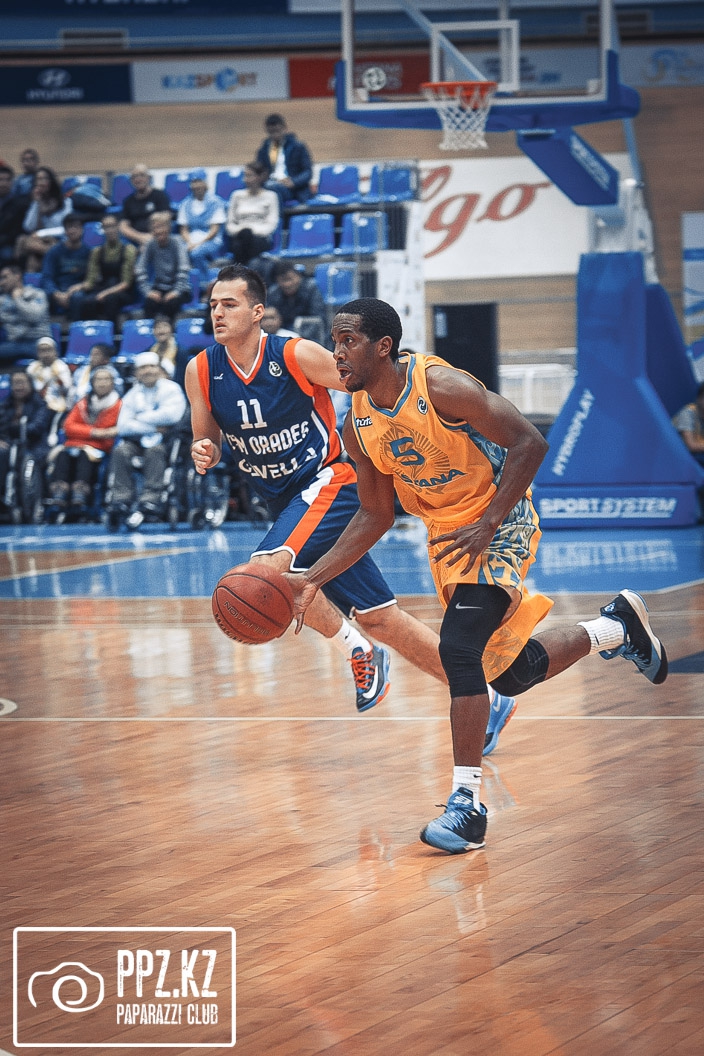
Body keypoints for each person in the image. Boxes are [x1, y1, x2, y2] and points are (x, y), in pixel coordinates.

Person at [286, 298, 669, 855]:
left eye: (348, 341)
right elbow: (374, 514)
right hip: (448, 538)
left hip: (499, 520)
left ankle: (466, 806)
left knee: (459, 649)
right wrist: (312, 579)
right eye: (334, 341)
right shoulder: (357, 423)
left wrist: (490, 522)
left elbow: (530, 442)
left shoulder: (441, 387)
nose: (337, 353)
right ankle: (616, 629)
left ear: (383, 347)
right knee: (508, 674)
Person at [186, 265, 516, 751]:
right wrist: (205, 449)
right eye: (213, 305)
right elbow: (207, 434)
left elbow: (369, 381)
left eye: (229, 304)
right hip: (283, 503)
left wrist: (416, 435)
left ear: (257, 312)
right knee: (382, 617)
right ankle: (490, 697)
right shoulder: (200, 370)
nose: (217, 312)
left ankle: (356, 649)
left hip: (329, 483)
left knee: (267, 572)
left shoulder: (295, 354)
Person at [107, 349, 187, 528]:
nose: (147, 371)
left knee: (154, 451)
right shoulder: (132, 394)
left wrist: (139, 418)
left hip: (166, 441)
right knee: (121, 451)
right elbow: (123, 426)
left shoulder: (171, 389)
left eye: (151, 366)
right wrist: (153, 425)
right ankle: (121, 498)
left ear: (158, 369)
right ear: (136, 373)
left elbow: (172, 416)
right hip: (137, 441)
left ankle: (151, 498)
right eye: (143, 368)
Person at [45, 365, 121, 521]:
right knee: (63, 454)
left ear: (113, 383)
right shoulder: (82, 403)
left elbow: (110, 431)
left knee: (84, 456)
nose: (102, 383)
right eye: (98, 379)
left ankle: (80, 494)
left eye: (106, 379)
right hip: (74, 446)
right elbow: (68, 426)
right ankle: (60, 492)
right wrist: (94, 432)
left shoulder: (118, 405)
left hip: (100, 449)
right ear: (92, 383)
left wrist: (86, 434)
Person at [0, 367, 53, 515]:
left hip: (34, 445)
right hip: (9, 445)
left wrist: (14, 428)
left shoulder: (40, 404)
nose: (19, 387)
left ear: (30, 384)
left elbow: (36, 428)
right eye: (15, 383)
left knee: (29, 459)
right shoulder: (4, 405)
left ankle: (31, 505)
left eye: (22, 382)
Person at [76, 212, 137, 324]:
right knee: (87, 302)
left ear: (118, 227)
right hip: (103, 287)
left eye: (112, 226)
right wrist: (75, 288)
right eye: (106, 227)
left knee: (111, 299)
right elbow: (90, 281)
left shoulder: (128, 249)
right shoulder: (97, 252)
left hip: (123, 292)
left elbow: (126, 283)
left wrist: (105, 293)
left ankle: (111, 331)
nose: (110, 230)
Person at [134, 212, 192, 322]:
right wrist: (148, 291)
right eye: (155, 228)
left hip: (180, 288)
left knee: (171, 304)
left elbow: (184, 268)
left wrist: (175, 292)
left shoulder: (177, 242)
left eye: (162, 227)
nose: (159, 231)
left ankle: (169, 330)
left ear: (169, 228)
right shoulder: (150, 244)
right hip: (160, 287)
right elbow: (139, 268)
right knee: (149, 304)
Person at [16, 166, 71, 272]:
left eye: (44, 178)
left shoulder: (65, 202)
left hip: (59, 240)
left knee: (32, 249)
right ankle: (52, 256)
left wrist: (42, 233)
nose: (40, 183)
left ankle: (54, 255)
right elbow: (28, 226)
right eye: (38, 179)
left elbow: (66, 228)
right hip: (40, 242)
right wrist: (37, 203)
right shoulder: (37, 203)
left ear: (51, 181)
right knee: (30, 253)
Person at [225, 161, 279, 268]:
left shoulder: (271, 196)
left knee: (251, 242)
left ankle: (244, 270)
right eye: (245, 176)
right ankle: (245, 271)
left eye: (249, 176)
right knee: (239, 243)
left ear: (260, 177)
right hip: (240, 235)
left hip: (260, 236)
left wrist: (251, 231)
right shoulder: (236, 195)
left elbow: (272, 223)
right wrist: (242, 230)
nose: (245, 179)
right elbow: (230, 223)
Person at [177, 169, 227, 283]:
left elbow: (214, 230)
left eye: (199, 181)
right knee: (178, 252)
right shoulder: (185, 203)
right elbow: (184, 229)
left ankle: (204, 283)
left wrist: (198, 244)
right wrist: (190, 242)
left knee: (196, 253)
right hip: (191, 240)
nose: (197, 185)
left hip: (211, 240)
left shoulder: (216, 202)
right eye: (194, 182)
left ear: (205, 183)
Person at [255, 113, 313, 208]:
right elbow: (258, 170)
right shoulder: (264, 149)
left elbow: (308, 172)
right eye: (271, 132)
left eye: (278, 131)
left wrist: (293, 181)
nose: (275, 135)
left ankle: (275, 216)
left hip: (292, 188)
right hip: (270, 184)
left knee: (273, 191)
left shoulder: (298, 147)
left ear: (284, 128)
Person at [0, 261, 52, 365]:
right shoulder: (3, 300)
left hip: (38, 342)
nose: (2, 282)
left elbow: (34, 316)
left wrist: (18, 299)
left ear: (17, 276)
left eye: (5, 277)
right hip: (15, 343)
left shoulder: (37, 294)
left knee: (46, 353)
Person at [40, 213, 91, 320]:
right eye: (69, 227)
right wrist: (55, 293)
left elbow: (92, 278)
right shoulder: (54, 252)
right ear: (65, 230)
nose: (72, 231)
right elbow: (47, 277)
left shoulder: (89, 252)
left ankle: (74, 327)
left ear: (82, 229)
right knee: (43, 296)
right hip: (58, 289)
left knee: (78, 297)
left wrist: (80, 287)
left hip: (78, 290)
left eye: (76, 227)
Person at [266, 260, 327, 344]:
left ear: (298, 276)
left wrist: (299, 335)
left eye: (289, 279)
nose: (287, 284)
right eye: (283, 280)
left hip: (309, 336)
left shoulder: (311, 288)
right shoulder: (274, 293)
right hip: (283, 335)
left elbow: (318, 318)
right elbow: (271, 316)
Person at [118, 164, 173, 249]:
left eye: (142, 175)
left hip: (158, 239)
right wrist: (140, 237)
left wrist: (152, 238)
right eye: (134, 177)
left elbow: (166, 218)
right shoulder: (128, 201)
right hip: (135, 241)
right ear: (131, 181)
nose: (138, 179)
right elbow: (123, 226)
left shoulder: (160, 195)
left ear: (149, 178)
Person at [26, 336, 73, 414]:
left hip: (56, 400)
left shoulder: (61, 367)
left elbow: (67, 388)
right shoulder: (32, 368)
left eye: (49, 350)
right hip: (35, 401)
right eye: (42, 351)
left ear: (55, 352)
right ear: (37, 353)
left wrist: (58, 379)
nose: (46, 354)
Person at [0, 165, 29, 265]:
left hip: (8, 244)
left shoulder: (20, 204)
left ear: (12, 182)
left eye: (7, 180)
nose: (3, 183)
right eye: (1, 180)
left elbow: (17, 231)